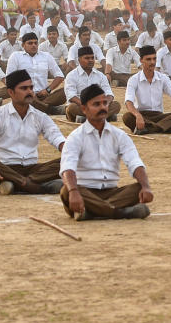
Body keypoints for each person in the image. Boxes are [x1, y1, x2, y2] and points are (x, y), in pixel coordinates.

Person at [59, 84, 154, 221]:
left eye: (104, 103)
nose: (102, 107)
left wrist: (146, 186)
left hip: (112, 193)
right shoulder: (75, 137)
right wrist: (74, 191)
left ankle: (92, 212)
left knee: (139, 188)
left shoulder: (119, 136)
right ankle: (121, 213)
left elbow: (134, 163)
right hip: (84, 192)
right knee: (66, 191)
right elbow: (68, 168)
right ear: (84, 109)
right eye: (96, 104)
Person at [0, 69, 67, 194]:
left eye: (31, 88)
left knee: (67, 161)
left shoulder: (41, 117)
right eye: (24, 88)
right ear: (11, 92)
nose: (29, 92)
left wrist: (73, 156)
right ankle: (36, 186)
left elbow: (58, 139)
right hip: (5, 167)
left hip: (32, 170)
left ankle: (14, 184)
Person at [122, 46, 171, 135]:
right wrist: (138, 116)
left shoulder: (163, 78)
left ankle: (147, 129)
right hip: (142, 115)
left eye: (154, 59)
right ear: (141, 60)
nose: (152, 62)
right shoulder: (133, 79)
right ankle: (166, 127)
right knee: (127, 117)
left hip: (160, 116)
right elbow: (128, 102)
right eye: (148, 59)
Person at [6, 32, 66, 114]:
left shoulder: (46, 56)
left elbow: (60, 76)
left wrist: (47, 90)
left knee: (65, 90)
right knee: (28, 98)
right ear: (23, 45)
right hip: (25, 95)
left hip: (44, 95)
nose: (33, 45)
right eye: (30, 43)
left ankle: (40, 106)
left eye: (35, 43)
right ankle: (51, 109)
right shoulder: (15, 56)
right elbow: (9, 78)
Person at [63, 46, 120, 122]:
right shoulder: (71, 75)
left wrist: (105, 104)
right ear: (79, 60)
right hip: (81, 106)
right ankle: (102, 117)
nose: (90, 60)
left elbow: (109, 93)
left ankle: (87, 118)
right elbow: (71, 96)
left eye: (92, 58)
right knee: (72, 107)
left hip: (98, 106)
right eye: (87, 58)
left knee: (116, 105)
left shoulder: (100, 75)